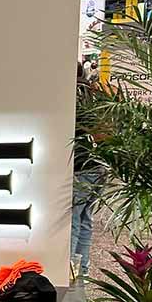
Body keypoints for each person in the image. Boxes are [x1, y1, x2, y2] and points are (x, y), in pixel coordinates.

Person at [70, 63, 100, 279]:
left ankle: (69, 270)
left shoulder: (72, 95)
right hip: (97, 165)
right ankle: (81, 271)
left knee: (72, 220)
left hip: (81, 167)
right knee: (85, 219)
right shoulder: (92, 93)